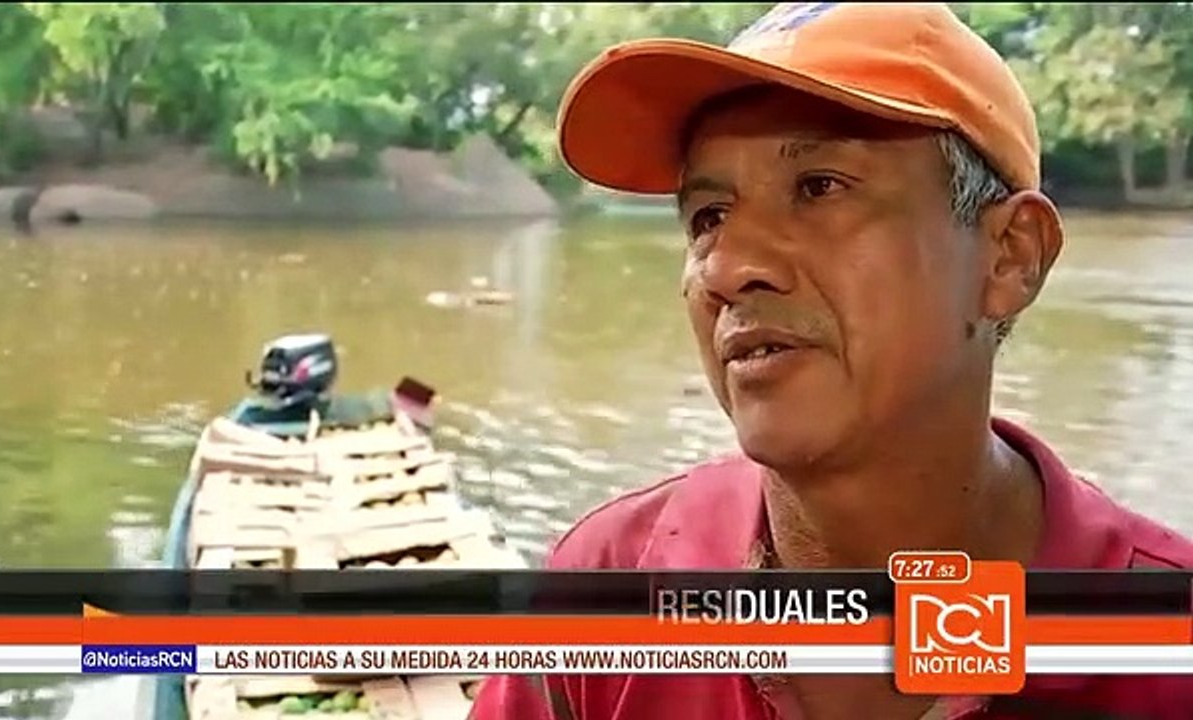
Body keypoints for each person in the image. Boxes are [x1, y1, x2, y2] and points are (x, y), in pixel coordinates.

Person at [470, 3, 1193, 719]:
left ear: (1010, 256)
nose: (730, 267)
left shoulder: (1162, 649)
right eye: (708, 217)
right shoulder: (610, 586)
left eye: (819, 187)